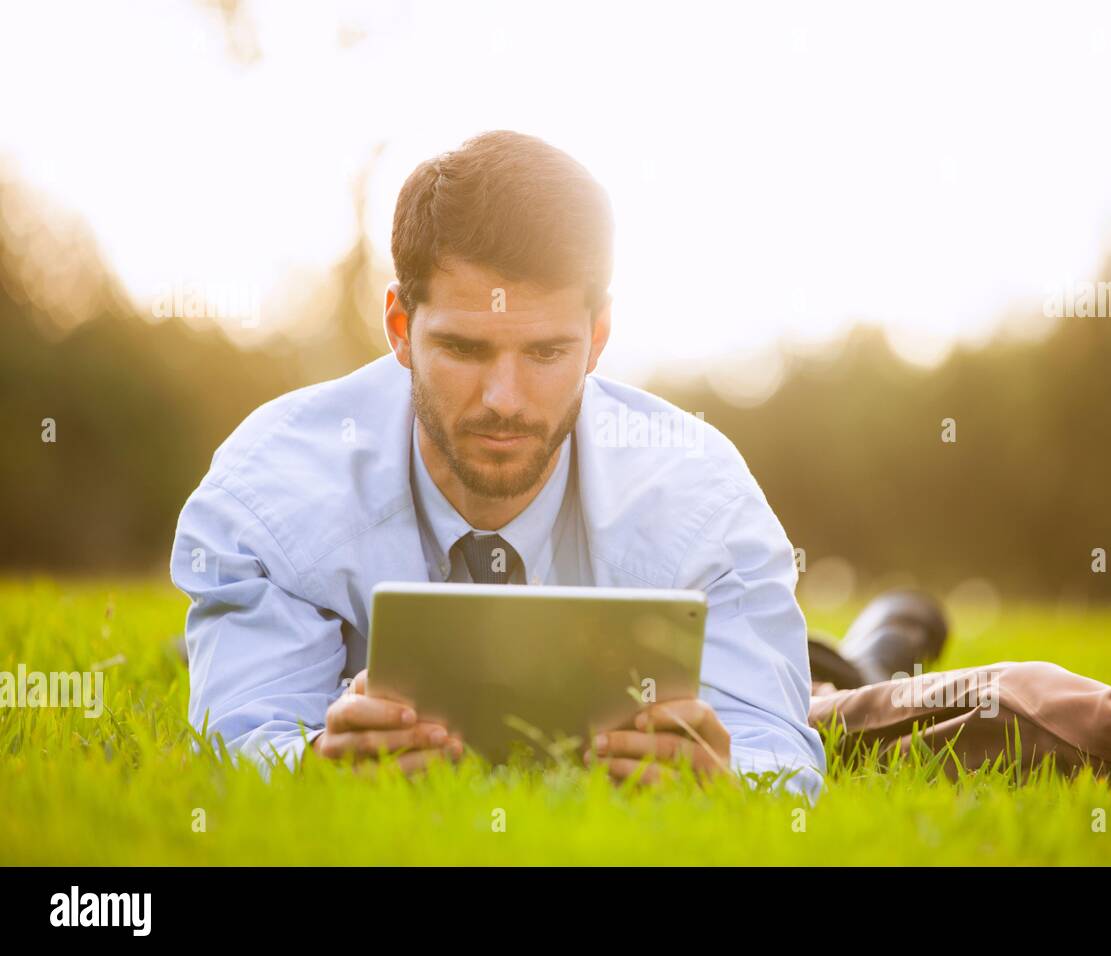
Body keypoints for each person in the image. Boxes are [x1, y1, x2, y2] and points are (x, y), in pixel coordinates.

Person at [171, 130, 826, 799]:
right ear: (400, 327)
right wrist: (313, 763)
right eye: (463, 348)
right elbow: (234, 743)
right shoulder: (270, 492)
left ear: (598, 337)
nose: (503, 401)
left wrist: (725, 784)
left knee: (833, 681)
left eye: (545, 354)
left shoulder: (701, 499)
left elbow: (780, 760)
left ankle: (863, 655)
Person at [806, 590, 1111, 797]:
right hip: (798, 699)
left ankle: (900, 619)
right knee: (903, 737)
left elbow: (1014, 692)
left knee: (888, 686)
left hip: (801, 678)